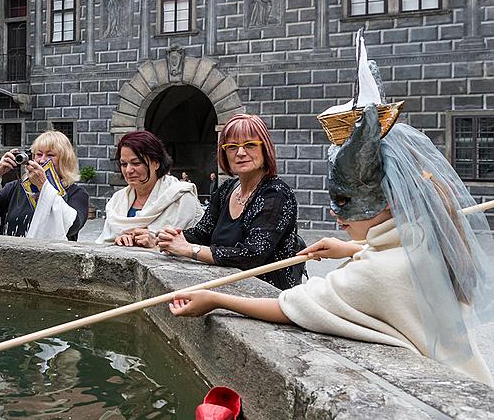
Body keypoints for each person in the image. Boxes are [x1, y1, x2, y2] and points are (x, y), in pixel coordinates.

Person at [168, 105, 494, 385]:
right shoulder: (430, 242)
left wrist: (214, 299)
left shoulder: (375, 274)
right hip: (473, 383)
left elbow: (291, 306)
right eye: (231, 146)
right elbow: (393, 257)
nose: (335, 213)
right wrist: (347, 248)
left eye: (344, 200)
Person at [157, 114, 301, 289]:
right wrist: (163, 238)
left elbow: (251, 256)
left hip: (266, 296)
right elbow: (202, 234)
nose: (241, 153)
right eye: (232, 147)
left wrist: (188, 250)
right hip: (226, 287)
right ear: (224, 153)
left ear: (265, 149)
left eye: (250, 145)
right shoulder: (227, 189)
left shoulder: (276, 194)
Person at [0, 130, 89, 241]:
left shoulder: (76, 193)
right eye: (39, 154)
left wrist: (44, 187)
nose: (42, 160)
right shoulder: (16, 188)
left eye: (50, 155)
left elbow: (72, 226)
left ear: (64, 160)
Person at [96, 130, 203, 247]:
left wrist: (155, 244)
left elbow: (195, 246)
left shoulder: (181, 197)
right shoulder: (117, 200)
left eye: (136, 163)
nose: (128, 170)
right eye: (124, 164)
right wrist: (120, 241)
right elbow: (104, 243)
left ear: (156, 163)